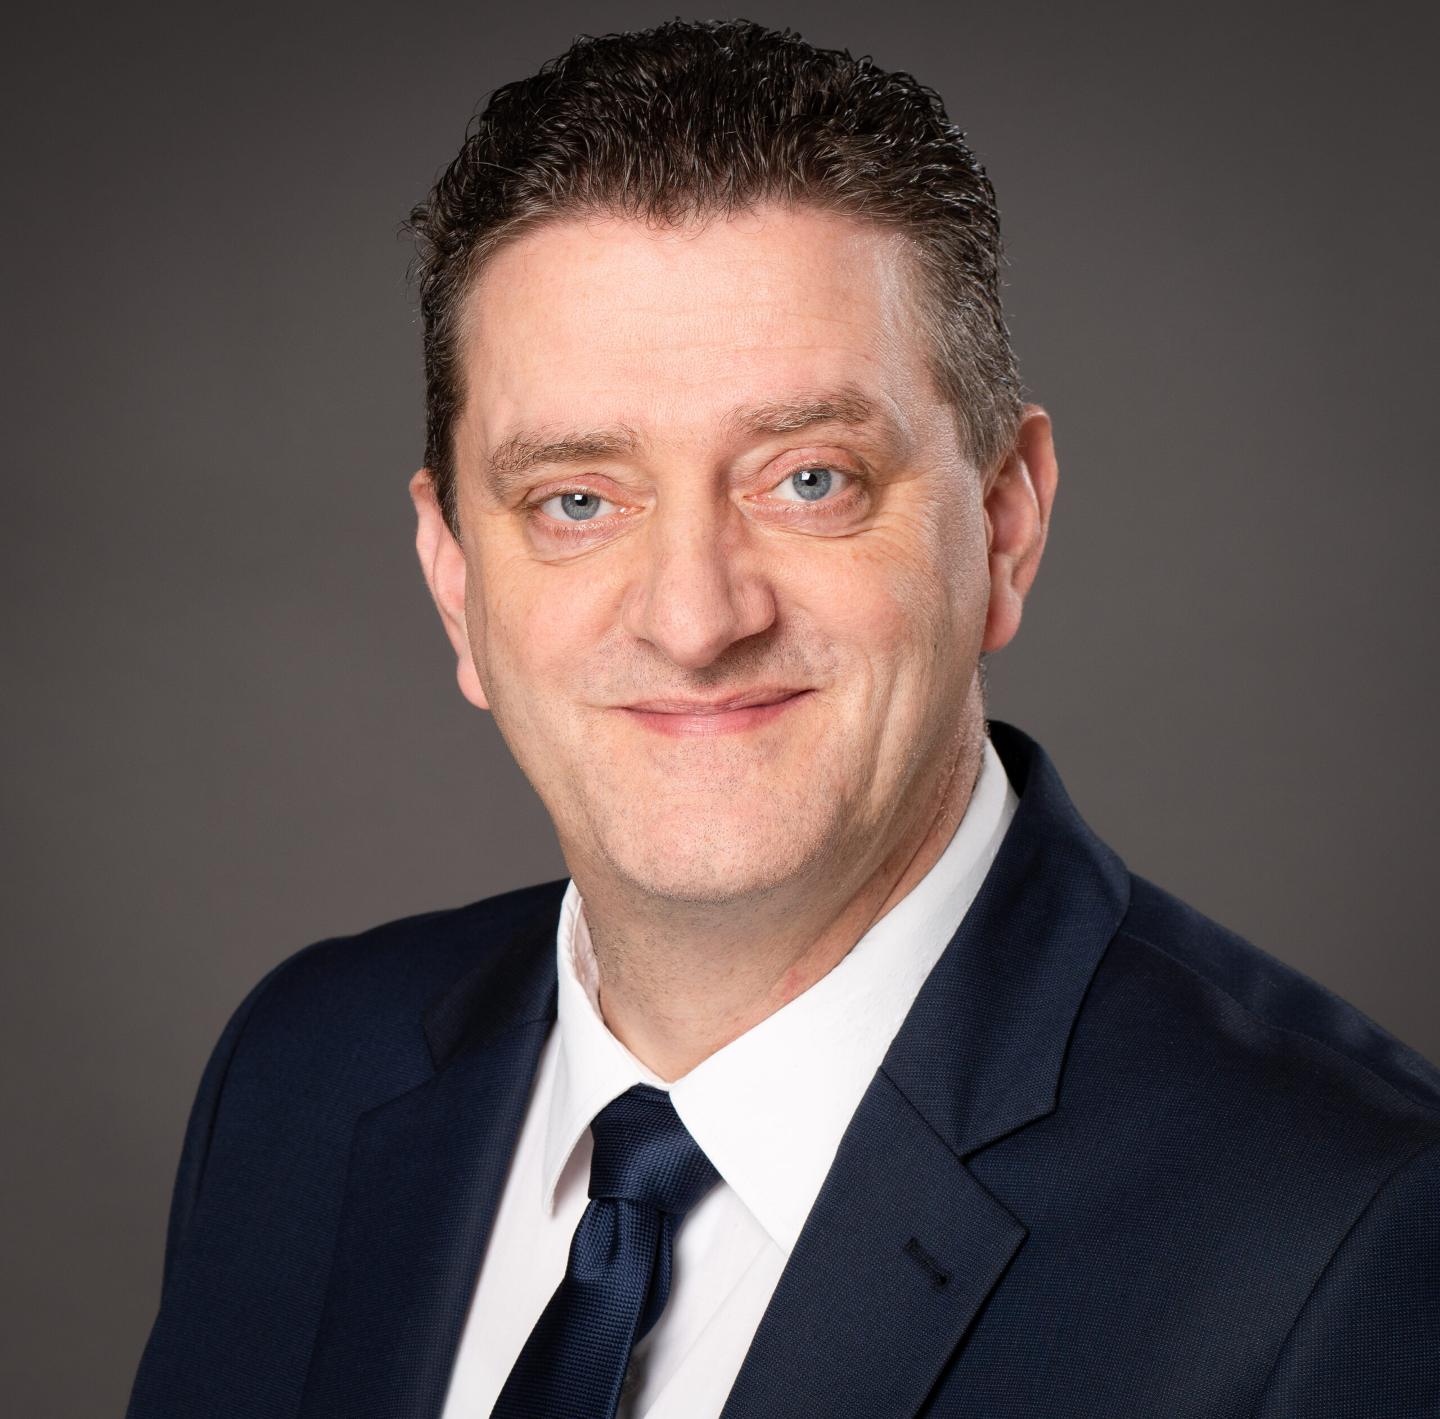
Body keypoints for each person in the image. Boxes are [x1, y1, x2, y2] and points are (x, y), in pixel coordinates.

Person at [125, 18, 1439, 1419]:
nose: (696, 619)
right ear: (456, 583)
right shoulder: (303, 1073)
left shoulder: (1352, 1235)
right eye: (578, 499)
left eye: (810, 479)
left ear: (1006, 524)